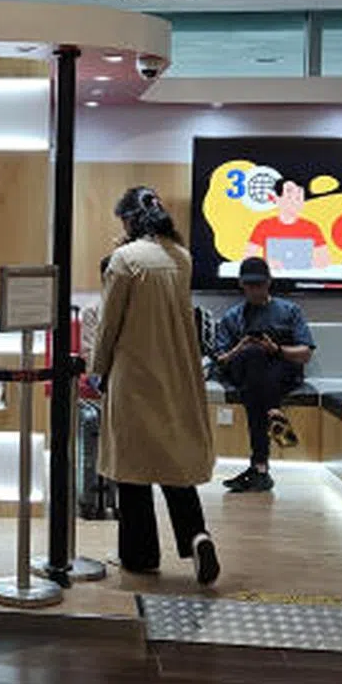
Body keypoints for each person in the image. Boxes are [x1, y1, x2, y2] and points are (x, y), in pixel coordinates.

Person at [91, 187, 220, 585]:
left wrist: (98, 368)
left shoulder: (125, 261)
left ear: (130, 221)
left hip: (135, 373)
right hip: (177, 371)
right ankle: (196, 535)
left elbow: (109, 323)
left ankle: (140, 555)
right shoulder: (182, 258)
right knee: (173, 463)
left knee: (132, 468)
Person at [214, 256, 315, 494]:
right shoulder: (233, 317)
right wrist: (243, 345)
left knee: (256, 381)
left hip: (279, 372)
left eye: (259, 284)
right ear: (241, 284)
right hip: (243, 369)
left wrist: (276, 349)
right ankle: (273, 414)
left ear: (269, 283)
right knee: (253, 356)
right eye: (250, 285)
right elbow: (221, 359)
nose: (254, 290)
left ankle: (259, 466)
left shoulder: (289, 311)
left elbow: (305, 353)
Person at [244, 178, 330, 271]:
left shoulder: (312, 227)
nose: (294, 202)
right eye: (289, 197)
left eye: (298, 198)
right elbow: (248, 258)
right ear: (277, 199)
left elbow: (324, 261)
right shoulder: (264, 225)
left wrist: (303, 263)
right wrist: (267, 265)